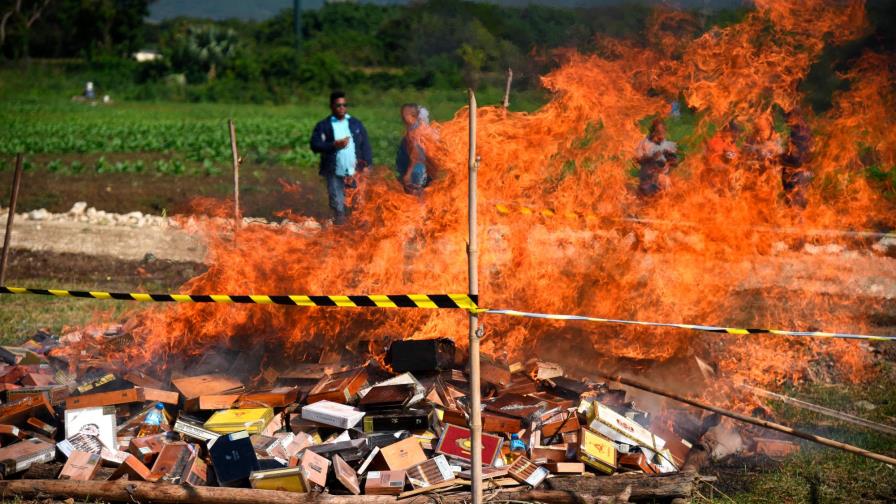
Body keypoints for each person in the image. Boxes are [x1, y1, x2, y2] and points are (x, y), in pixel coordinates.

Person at [310, 90, 373, 225]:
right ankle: (340, 233)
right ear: (332, 106)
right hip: (334, 171)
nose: (342, 108)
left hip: (355, 171)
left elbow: (365, 145)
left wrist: (367, 165)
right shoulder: (324, 125)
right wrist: (333, 145)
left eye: (345, 105)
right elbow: (315, 145)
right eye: (338, 105)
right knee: (338, 204)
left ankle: (360, 234)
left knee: (358, 204)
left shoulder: (355, 124)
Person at [635, 118, 678, 197]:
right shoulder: (644, 143)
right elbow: (638, 160)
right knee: (647, 203)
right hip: (647, 179)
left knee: (665, 200)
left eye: (662, 132)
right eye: (658, 132)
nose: (660, 134)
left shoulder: (668, 145)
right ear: (653, 132)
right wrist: (651, 158)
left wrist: (669, 159)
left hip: (663, 179)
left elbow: (675, 163)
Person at [779, 108, 812, 208]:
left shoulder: (803, 134)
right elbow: (789, 153)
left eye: (789, 118)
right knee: (791, 197)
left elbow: (804, 162)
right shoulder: (794, 133)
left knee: (797, 198)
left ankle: (798, 217)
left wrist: (785, 163)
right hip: (793, 171)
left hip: (799, 172)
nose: (787, 121)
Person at [395, 103, 431, 195]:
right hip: (417, 170)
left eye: (404, 114)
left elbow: (415, 155)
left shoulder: (416, 131)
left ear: (413, 115)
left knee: (415, 198)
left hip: (416, 172)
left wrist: (408, 174)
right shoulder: (414, 128)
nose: (402, 117)